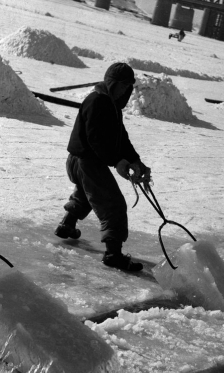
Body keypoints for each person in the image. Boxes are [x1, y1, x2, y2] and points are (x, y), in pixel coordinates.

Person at [53, 62, 151, 272]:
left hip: (80, 160)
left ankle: (67, 225)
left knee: (86, 194)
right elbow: (95, 138)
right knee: (112, 204)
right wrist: (117, 161)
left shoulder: (111, 105)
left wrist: (135, 160)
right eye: (123, 86)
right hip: (86, 160)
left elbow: (120, 138)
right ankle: (113, 254)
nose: (126, 91)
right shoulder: (97, 101)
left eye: (129, 87)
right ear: (112, 83)